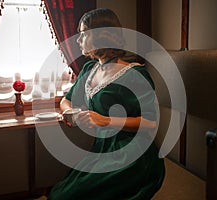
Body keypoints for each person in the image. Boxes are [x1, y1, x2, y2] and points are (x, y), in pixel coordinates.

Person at [48, 8, 165, 200]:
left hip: (133, 154)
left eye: (83, 33)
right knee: (60, 193)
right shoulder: (88, 69)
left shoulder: (135, 74)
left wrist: (106, 120)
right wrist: (71, 113)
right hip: (102, 148)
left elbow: (151, 123)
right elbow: (65, 100)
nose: (78, 40)